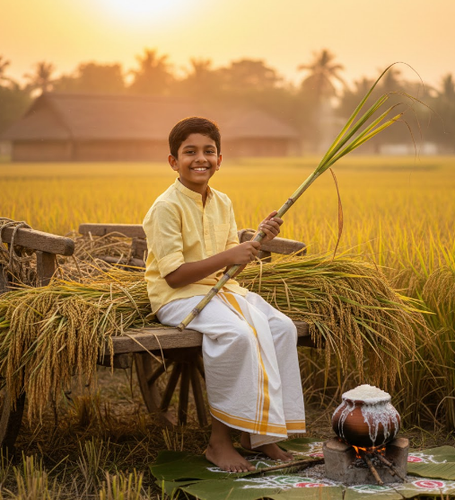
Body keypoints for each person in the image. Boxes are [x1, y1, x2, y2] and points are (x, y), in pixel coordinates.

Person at [143, 117, 305, 473]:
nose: (200, 159)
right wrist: (230, 256)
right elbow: (173, 277)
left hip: (222, 291)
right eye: (190, 152)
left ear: (220, 159)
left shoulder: (223, 202)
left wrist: (259, 240)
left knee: (282, 328)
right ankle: (219, 443)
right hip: (180, 299)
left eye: (209, 151)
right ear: (173, 161)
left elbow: (232, 265)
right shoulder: (165, 208)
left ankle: (258, 435)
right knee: (238, 336)